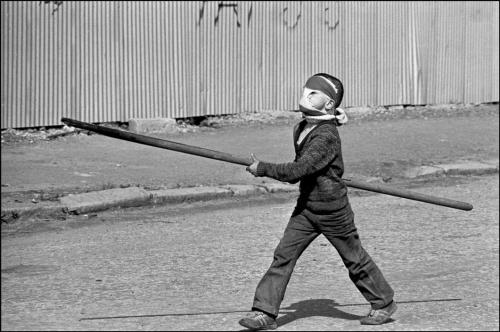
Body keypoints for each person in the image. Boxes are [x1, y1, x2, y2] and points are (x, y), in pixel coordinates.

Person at [239, 73, 397, 330]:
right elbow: (319, 131)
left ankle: (383, 302)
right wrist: (337, 117)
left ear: (328, 104)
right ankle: (264, 312)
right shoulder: (303, 127)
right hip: (307, 208)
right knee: (283, 256)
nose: (305, 96)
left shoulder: (326, 136)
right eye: (306, 90)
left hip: (333, 210)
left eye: (313, 93)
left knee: (353, 258)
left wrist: (262, 169)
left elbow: (297, 171)